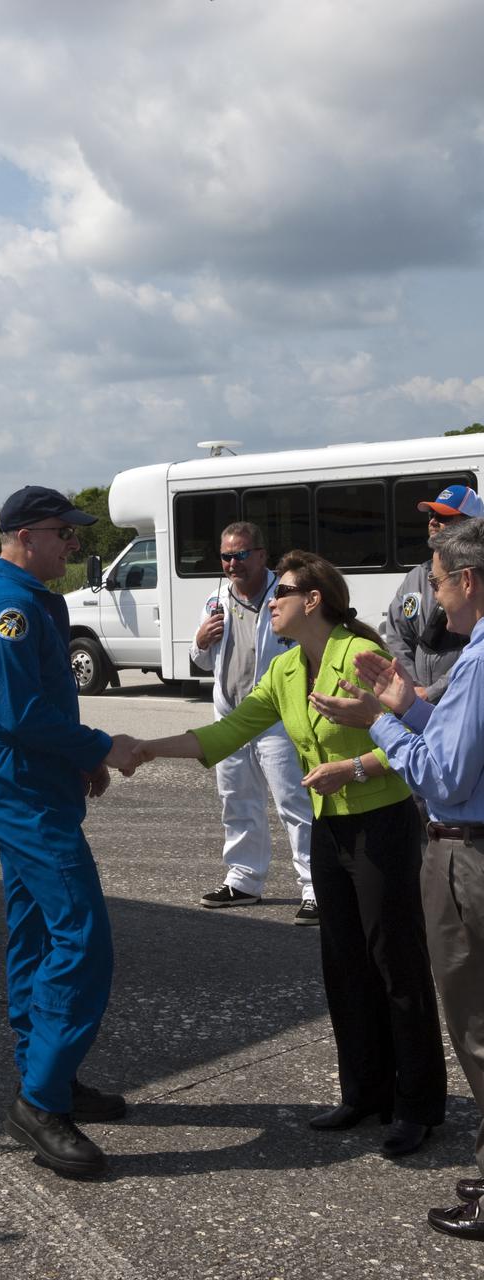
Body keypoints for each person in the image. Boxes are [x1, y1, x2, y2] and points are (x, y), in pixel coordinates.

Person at [132, 551, 447, 1158]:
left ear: (314, 600)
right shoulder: (284, 671)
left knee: (396, 968)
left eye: (283, 591)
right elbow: (227, 733)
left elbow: (421, 737)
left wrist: (354, 767)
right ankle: (364, 1094)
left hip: (382, 825)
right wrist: (148, 747)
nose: (269, 600)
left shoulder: (359, 654)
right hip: (330, 833)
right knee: (344, 965)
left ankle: (418, 1107)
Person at [311, 516, 484, 1241]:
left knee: (475, 1026)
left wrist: (380, 724)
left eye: (439, 582)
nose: (434, 598)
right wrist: (406, 704)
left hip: (466, 853)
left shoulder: (478, 658)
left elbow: (444, 775)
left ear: (468, 581)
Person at [0, 485, 138, 1180]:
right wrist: (99, 747)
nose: (74, 543)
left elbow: (39, 708)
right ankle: (39, 1100)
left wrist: (77, 764)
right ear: (28, 536)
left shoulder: (36, 599)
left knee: (36, 929)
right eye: (65, 532)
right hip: (20, 788)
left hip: (38, 784)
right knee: (82, 936)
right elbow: (21, 715)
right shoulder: (10, 607)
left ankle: (49, 1077)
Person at [190, 522, 316, 923]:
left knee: (295, 802)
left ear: (262, 555)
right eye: (226, 556)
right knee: (236, 800)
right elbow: (203, 662)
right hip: (231, 715)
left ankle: (315, 887)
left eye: (241, 555)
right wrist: (200, 641)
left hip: (277, 716)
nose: (232, 564)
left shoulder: (286, 595)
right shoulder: (216, 598)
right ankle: (243, 879)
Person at [385, 484, 484, 703]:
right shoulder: (415, 576)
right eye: (432, 514)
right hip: (417, 699)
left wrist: (434, 692)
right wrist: (412, 688)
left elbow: (477, 650)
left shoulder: (479, 578)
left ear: (471, 524)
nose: (433, 521)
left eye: (444, 516)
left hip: (465, 698)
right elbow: (397, 636)